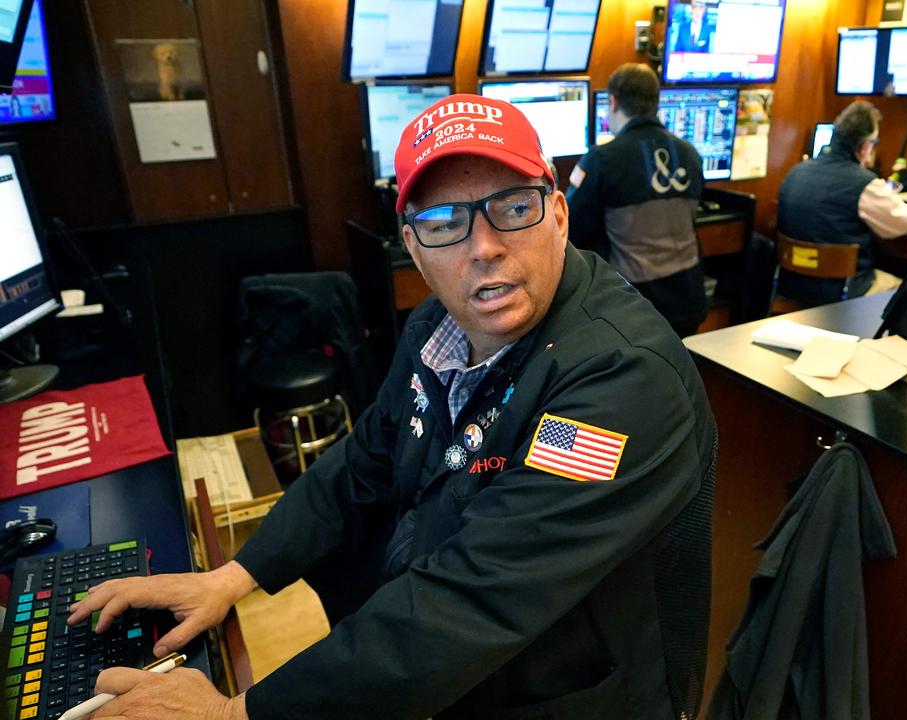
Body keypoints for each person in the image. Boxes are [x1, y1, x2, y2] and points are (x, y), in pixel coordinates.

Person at [66, 94, 718, 720]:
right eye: (443, 223)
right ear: (413, 246)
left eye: (512, 207)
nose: (483, 245)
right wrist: (233, 576)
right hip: (472, 679)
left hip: (580, 697)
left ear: (558, 212)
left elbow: (475, 597)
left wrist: (238, 711)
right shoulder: (440, 328)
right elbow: (363, 463)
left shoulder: (622, 377)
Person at [567, 63, 708, 336]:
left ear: (613, 102)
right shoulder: (690, 153)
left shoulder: (602, 159)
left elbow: (569, 228)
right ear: (657, 103)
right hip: (689, 299)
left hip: (635, 307)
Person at [775, 100, 907, 306]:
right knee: (905, 288)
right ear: (865, 145)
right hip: (841, 293)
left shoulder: (796, 172)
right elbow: (905, 223)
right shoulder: (864, 183)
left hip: (791, 287)